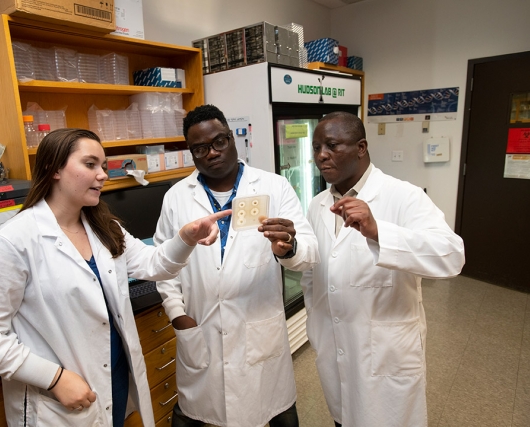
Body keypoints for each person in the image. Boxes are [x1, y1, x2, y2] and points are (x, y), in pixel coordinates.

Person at [0, 128, 230, 427]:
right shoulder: (12, 242)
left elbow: (155, 265)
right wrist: (54, 378)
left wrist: (186, 238)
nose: (103, 175)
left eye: (102, 166)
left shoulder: (103, 226)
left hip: (112, 380)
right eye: (90, 164)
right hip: (59, 399)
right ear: (53, 168)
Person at [154, 105, 320, 427]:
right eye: (200, 149)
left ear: (232, 139)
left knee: (278, 412)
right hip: (200, 331)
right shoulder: (176, 198)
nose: (211, 153)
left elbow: (310, 253)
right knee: (194, 413)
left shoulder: (274, 187)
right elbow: (164, 262)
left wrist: (288, 248)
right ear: (192, 153)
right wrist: (177, 313)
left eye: (218, 142)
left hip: (259, 333)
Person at [301, 112, 465, 427]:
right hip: (335, 345)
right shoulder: (318, 204)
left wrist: (379, 232)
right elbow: (313, 272)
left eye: (332, 145)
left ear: (361, 147)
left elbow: (452, 255)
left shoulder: (403, 196)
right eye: (317, 147)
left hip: (386, 353)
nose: (321, 155)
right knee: (342, 418)